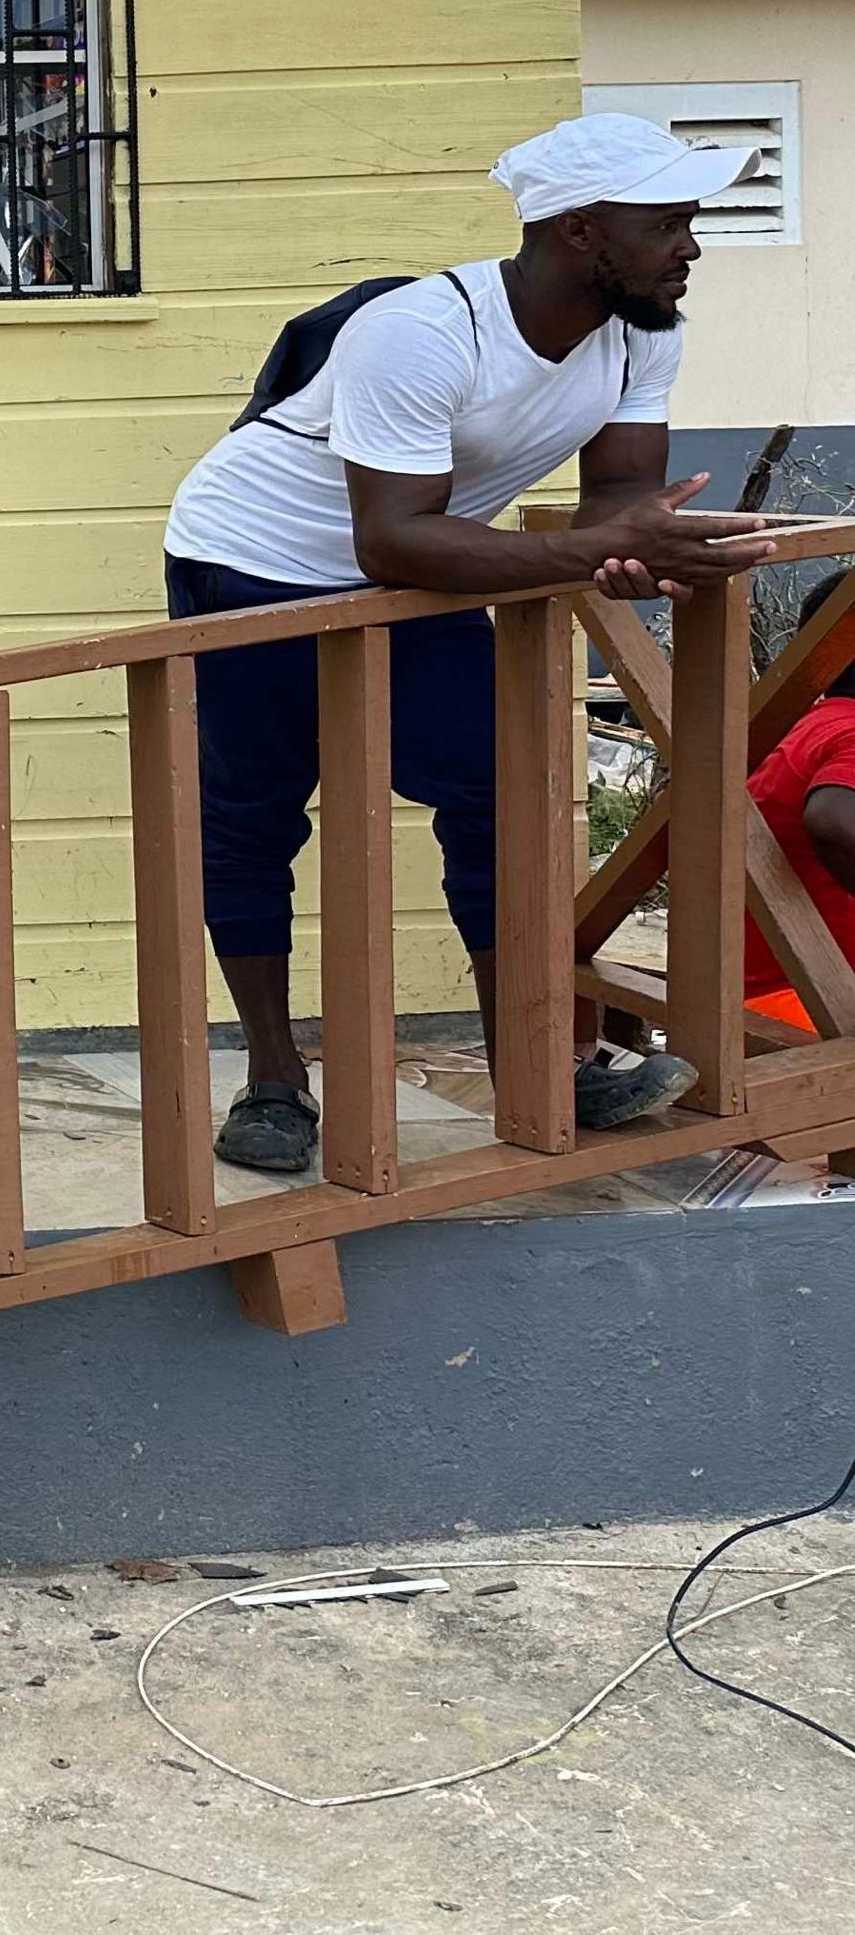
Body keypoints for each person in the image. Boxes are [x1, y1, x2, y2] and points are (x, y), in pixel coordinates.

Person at [157, 112, 774, 1173]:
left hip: (420, 562)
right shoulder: (418, 331)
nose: (692, 247)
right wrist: (599, 549)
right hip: (254, 558)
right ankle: (273, 1082)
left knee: (502, 787)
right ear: (583, 231)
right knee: (253, 815)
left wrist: (639, 546)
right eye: (668, 223)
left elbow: (616, 500)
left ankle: (533, 1063)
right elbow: (392, 537)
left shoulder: (643, 331)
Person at [743, 569, 853, 1037]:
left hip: (755, 993)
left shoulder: (800, 726)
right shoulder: (850, 734)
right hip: (812, 1006)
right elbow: (831, 822)